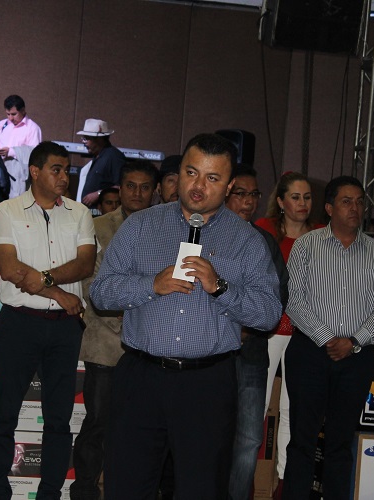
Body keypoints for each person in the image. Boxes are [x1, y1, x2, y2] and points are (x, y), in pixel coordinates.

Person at [90, 133, 282, 499]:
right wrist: (151, 284)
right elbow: (101, 293)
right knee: (127, 486)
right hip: (141, 378)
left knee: (201, 489)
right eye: (191, 173)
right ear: (178, 173)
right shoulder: (140, 226)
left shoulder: (246, 240)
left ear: (229, 186)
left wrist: (220, 287)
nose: (198, 186)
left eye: (212, 178)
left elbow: (268, 314)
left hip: (206, 384)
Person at [0, 141, 96, 500]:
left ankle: (50, 493)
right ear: (35, 171)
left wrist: (44, 280)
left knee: (59, 419)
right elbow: (9, 268)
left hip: (65, 328)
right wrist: (59, 293)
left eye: (67, 170)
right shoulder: (7, 210)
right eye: (56, 169)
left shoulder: (79, 213)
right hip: (20, 323)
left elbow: (85, 264)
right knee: (4, 414)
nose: (64, 177)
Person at [282, 175, 374, 500]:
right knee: (302, 441)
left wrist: (353, 341)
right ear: (329, 208)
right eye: (346, 201)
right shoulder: (306, 245)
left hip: (356, 356)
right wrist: (329, 338)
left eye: (359, 201)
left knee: (341, 444)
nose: (355, 208)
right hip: (310, 353)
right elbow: (293, 300)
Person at [70, 160, 158, 500]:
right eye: (130, 186)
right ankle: (84, 491)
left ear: (154, 191)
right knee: (97, 424)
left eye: (145, 187)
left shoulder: (165, 229)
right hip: (105, 342)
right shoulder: (97, 227)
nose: (137, 193)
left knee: (141, 430)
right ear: (120, 190)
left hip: (150, 347)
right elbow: (89, 283)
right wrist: (133, 311)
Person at [253, 171, 322, 497]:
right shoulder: (263, 230)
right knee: (257, 406)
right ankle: (250, 480)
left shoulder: (321, 235)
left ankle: (283, 484)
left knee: (294, 411)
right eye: (295, 197)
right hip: (268, 330)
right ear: (280, 201)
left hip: (304, 332)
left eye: (307, 197)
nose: (302, 203)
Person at [224, 166, 289, 500]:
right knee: (206, 435)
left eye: (254, 195)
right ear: (225, 193)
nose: (248, 202)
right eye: (240, 194)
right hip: (209, 355)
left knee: (249, 439)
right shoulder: (206, 235)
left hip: (251, 354)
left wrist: (247, 328)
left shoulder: (264, 241)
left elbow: (278, 296)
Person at [0, 95, 42, 198]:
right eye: (8, 114)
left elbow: (34, 153)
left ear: (23, 110)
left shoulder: (33, 128)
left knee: (13, 202)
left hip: (17, 174)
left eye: (14, 114)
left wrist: (11, 152)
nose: (10, 118)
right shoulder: (3, 124)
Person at [76, 119, 127, 208]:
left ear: (99, 139)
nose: (84, 142)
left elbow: (122, 186)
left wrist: (99, 193)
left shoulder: (114, 156)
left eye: (86, 138)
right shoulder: (98, 157)